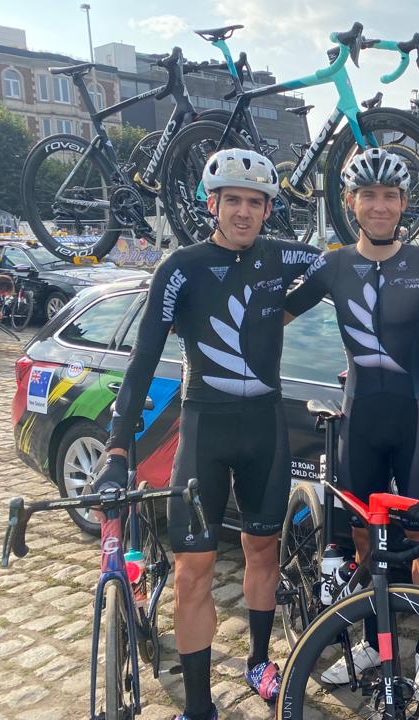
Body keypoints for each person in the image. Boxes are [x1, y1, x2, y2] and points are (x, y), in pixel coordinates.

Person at [93, 149, 322, 720]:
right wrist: (118, 446)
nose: (244, 212)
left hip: (264, 426)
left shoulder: (282, 255)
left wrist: (280, 313)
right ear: (212, 203)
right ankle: (199, 706)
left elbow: (330, 269)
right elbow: (144, 357)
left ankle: (260, 661)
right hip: (205, 426)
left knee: (262, 549)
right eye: (233, 201)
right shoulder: (181, 267)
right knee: (194, 569)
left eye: (255, 202)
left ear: (269, 209)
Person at [284, 147, 419, 701]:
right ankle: (368, 640)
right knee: (362, 535)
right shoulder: (333, 265)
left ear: (405, 203)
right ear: (351, 202)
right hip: (359, 419)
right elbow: (277, 314)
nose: (379, 206)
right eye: (368, 196)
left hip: (412, 415)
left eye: (389, 196)